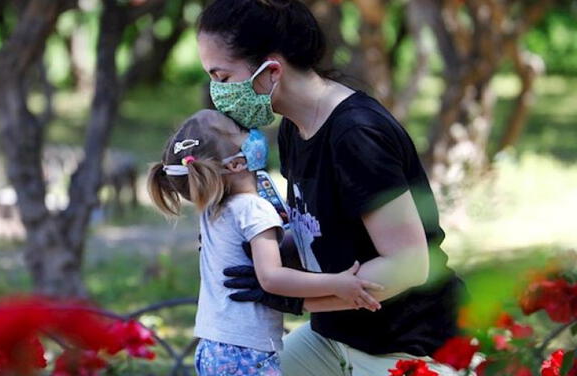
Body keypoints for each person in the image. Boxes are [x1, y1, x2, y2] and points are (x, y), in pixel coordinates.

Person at [196, 0, 467, 374]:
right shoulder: (295, 126)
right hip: (334, 336)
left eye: (222, 77)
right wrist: (260, 243)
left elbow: (409, 264)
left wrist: (293, 299)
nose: (216, 91)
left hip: (406, 346)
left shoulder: (356, 136)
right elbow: (318, 230)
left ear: (271, 70)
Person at [147, 109, 385, 376]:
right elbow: (271, 278)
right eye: (242, 131)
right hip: (245, 352)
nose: (253, 135)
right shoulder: (254, 209)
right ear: (236, 164)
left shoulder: (213, 208)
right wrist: (338, 284)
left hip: (212, 348)